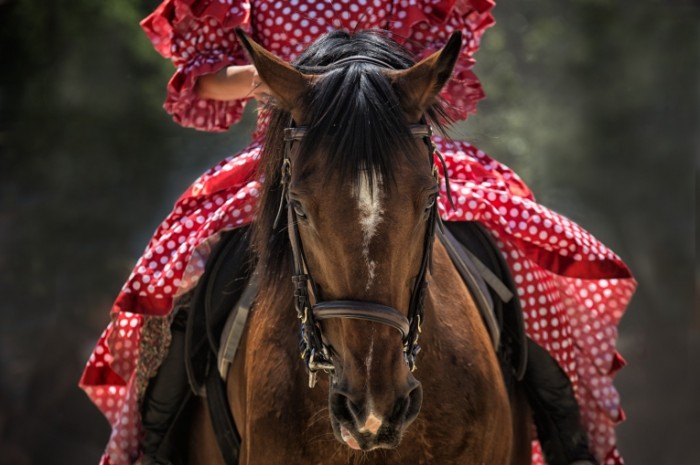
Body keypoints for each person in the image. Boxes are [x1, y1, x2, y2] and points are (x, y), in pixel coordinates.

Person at [79, 1, 636, 465]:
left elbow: (442, 64)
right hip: (296, 154)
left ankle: (567, 434)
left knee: (519, 252)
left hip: (391, 147)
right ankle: (154, 440)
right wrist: (293, 81)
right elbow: (207, 80)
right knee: (185, 274)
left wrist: (370, 83)